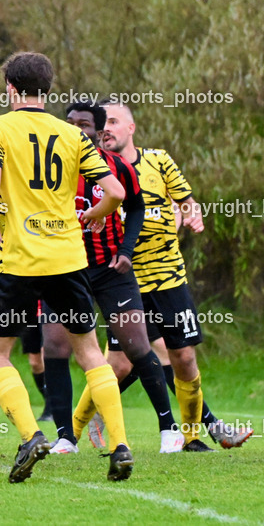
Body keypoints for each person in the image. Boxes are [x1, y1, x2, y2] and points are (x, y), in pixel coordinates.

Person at [0, 52, 133, 483]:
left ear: (10, 88)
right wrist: (97, 213)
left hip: (20, 261)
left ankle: (31, 436)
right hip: (68, 260)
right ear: (47, 89)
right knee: (91, 353)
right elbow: (116, 192)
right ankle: (120, 445)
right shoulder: (73, 134)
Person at [70, 102, 252, 451]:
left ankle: (192, 437)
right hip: (123, 281)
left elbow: (186, 201)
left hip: (168, 276)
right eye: (103, 123)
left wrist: (192, 215)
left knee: (183, 357)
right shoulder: (93, 171)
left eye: (113, 121)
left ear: (131, 128)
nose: (106, 129)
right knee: (120, 365)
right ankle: (71, 433)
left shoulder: (159, 161)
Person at [37, 101, 180, 454]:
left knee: (136, 345)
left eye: (83, 124)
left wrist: (126, 251)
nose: (74, 128)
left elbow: (136, 206)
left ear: (99, 133)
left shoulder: (117, 167)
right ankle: (65, 436)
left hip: (110, 271)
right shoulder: (52, 167)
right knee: (54, 345)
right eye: (69, 122)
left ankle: (169, 428)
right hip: (63, 268)